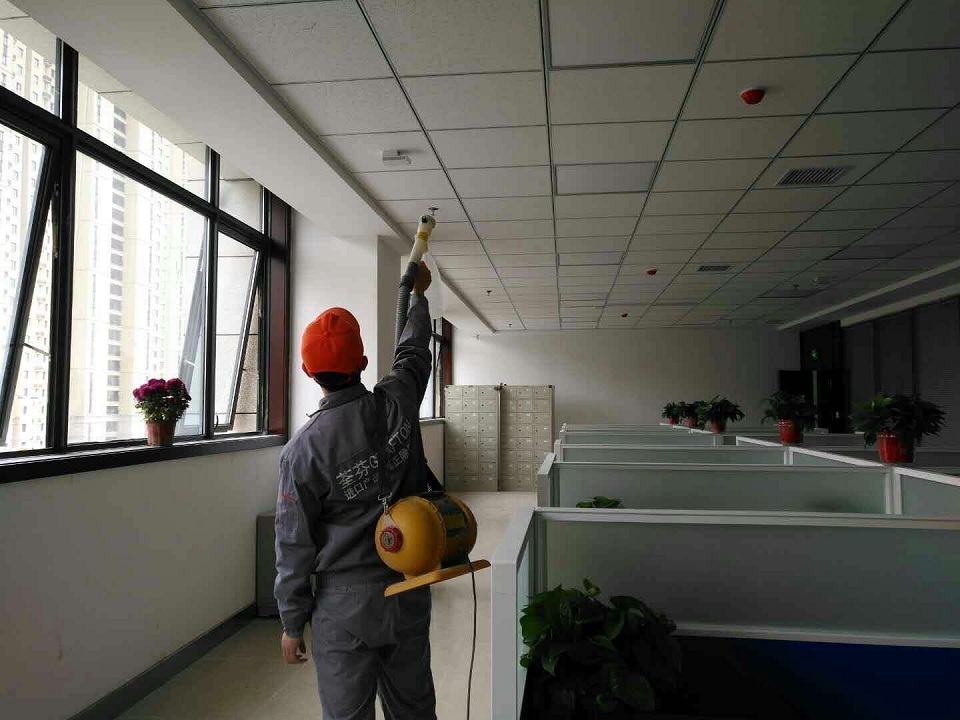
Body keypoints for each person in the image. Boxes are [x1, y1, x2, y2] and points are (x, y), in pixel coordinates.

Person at [274, 262, 437, 720]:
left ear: (307, 370)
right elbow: (413, 351)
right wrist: (418, 297)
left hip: (345, 609)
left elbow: (294, 544)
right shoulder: (398, 400)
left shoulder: (302, 451)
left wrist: (292, 623)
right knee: (415, 710)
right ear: (362, 363)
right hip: (407, 588)